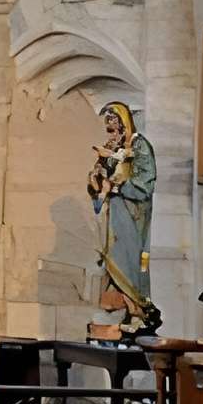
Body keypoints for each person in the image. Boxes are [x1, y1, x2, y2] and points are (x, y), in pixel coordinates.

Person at [86, 99, 160, 335]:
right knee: (112, 265)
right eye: (109, 128)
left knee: (130, 265)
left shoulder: (139, 146)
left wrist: (117, 187)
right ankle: (120, 312)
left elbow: (145, 184)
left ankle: (138, 311)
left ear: (125, 124)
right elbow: (100, 186)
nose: (113, 132)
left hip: (132, 219)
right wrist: (97, 181)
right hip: (113, 219)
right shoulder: (113, 148)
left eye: (116, 127)